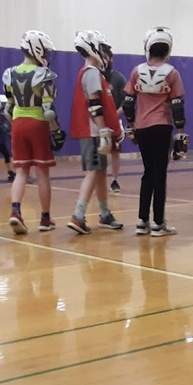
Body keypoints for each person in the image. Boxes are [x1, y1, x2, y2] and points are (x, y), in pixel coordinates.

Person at [120, 26, 185, 236]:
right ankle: (158, 223)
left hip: (143, 127)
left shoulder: (136, 71)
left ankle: (142, 221)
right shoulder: (172, 73)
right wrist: (181, 132)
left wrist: (131, 126)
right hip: (162, 126)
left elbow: (128, 104)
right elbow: (177, 106)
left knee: (147, 173)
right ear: (168, 50)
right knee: (160, 175)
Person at [4, 30, 62, 234]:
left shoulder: (9, 73)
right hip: (37, 124)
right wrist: (56, 131)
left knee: (21, 171)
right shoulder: (44, 75)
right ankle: (45, 218)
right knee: (42, 173)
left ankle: (15, 211)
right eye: (44, 50)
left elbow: (8, 108)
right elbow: (48, 111)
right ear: (36, 49)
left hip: (18, 123)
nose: (46, 55)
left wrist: (15, 127)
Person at [66, 30, 124, 235]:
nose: (106, 55)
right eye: (103, 50)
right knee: (93, 171)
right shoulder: (91, 73)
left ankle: (105, 213)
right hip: (93, 132)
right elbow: (94, 104)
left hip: (94, 131)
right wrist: (104, 130)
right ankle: (78, 215)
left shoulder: (93, 73)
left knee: (100, 171)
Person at [103, 45, 127, 193]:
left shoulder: (118, 78)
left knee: (115, 152)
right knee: (99, 152)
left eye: (106, 56)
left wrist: (114, 116)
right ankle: (98, 179)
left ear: (111, 58)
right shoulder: (95, 76)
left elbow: (126, 102)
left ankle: (114, 180)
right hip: (97, 121)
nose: (104, 59)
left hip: (114, 121)